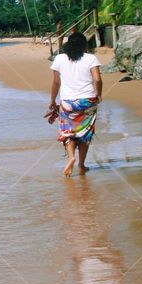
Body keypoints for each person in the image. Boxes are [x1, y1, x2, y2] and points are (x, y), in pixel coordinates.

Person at [48, 31, 102, 177]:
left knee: (69, 131)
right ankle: (81, 165)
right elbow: (97, 79)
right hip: (88, 101)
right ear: (84, 44)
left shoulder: (59, 58)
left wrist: (52, 101)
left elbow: (56, 82)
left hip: (68, 102)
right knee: (85, 132)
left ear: (68, 44)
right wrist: (99, 94)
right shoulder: (91, 58)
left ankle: (71, 157)